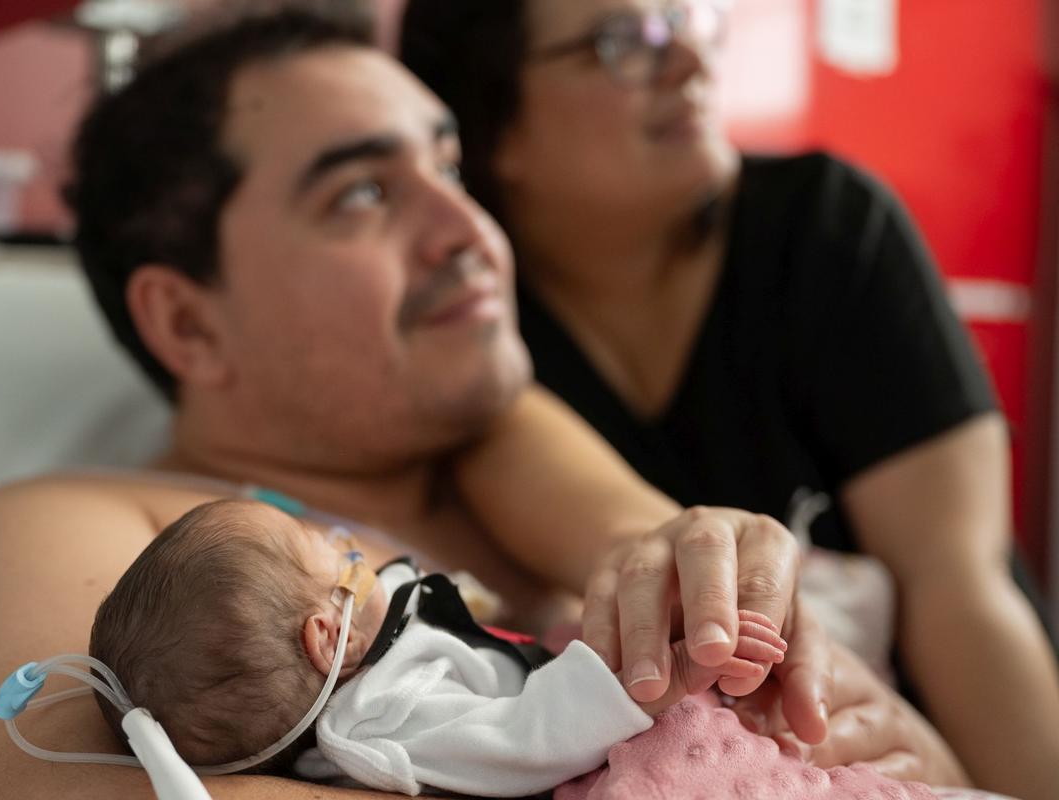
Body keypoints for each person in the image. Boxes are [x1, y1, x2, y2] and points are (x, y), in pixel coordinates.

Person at [0, 6, 961, 799]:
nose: (471, 231)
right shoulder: (73, 532)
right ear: (188, 323)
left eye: (453, 167)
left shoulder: (544, 478)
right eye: (365, 193)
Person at [397, 1, 1059, 798]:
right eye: (622, 43)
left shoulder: (825, 232)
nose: (689, 62)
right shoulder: (481, 327)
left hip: (918, 739)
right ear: (493, 131)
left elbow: (961, 584)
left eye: (687, 19)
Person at [78, 498, 814, 798]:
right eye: (330, 554)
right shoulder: (378, 720)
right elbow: (524, 737)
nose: (348, 549)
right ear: (327, 635)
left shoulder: (378, 668)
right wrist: (660, 676)